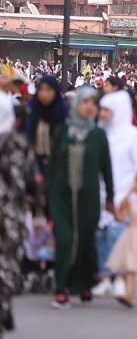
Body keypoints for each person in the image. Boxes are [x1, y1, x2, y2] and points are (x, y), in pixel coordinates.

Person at [46, 87, 114, 308]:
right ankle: (61, 287)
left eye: (93, 103)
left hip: (89, 196)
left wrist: (111, 198)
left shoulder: (98, 135)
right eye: (85, 102)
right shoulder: (62, 131)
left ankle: (83, 283)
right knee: (65, 240)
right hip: (61, 195)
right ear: (76, 105)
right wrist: (46, 197)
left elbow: (106, 168)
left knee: (85, 239)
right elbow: (52, 166)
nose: (89, 107)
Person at [93, 90, 137, 298]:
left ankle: (119, 278)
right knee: (101, 236)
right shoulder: (99, 132)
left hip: (126, 196)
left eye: (107, 110)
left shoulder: (133, 135)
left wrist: (130, 195)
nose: (103, 114)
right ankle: (105, 278)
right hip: (100, 194)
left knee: (118, 238)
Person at [0, 92, 40, 337]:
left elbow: (29, 180)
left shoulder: (18, 143)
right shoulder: (18, 143)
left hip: (9, 217)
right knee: (6, 268)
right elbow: (30, 181)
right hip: (10, 218)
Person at [107, 173, 137, 308]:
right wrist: (129, 193)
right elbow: (120, 217)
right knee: (130, 267)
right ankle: (128, 294)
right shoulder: (131, 203)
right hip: (132, 237)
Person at [27, 76, 68, 171]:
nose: (44, 94)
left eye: (49, 90)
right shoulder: (32, 112)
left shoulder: (64, 114)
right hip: (34, 170)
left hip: (60, 169)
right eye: (41, 89)